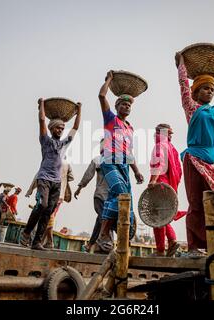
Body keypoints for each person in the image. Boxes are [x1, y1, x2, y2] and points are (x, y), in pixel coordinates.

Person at [175, 52, 214, 256]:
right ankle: (193, 246)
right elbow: (183, 84)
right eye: (205, 89)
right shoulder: (192, 108)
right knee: (196, 202)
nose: (209, 92)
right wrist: (181, 63)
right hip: (194, 158)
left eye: (212, 89)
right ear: (196, 92)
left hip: (212, 160)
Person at [19, 97, 82, 250]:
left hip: (57, 182)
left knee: (49, 211)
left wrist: (79, 111)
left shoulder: (64, 144)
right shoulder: (45, 140)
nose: (60, 130)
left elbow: (75, 128)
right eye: (57, 128)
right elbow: (41, 121)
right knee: (42, 204)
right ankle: (26, 232)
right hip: (44, 178)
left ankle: (37, 242)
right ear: (52, 128)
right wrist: (41, 105)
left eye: (62, 128)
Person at [95, 71, 144, 253]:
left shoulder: (129, 128)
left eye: (129, 104)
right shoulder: (111, 119)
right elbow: (101, 96)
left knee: (116, 199)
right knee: (121, 193)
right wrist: (108, 79)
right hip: (109, 161)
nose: (127, 106)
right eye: (123, 104)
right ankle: (105, 233)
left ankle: (107, 237)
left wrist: (137, 171)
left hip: (124, 165)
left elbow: (129, 152)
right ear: (117, 106)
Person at [148, 124, 184, 257]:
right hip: (169, 187)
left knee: (156, 217)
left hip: (160, 184)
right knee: (164, 216)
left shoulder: (160, 146)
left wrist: (153, 180)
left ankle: (160, 250)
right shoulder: (172, 148)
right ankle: (173, 240)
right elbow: (178, 172)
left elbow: (159, 164)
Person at [74, 138, 109, 253]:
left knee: (103, 219)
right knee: (103, 218)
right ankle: (100, 243)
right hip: (99, 196)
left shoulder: (116, 160)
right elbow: (88, 175)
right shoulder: (97, 160)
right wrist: (80, 188)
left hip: (111, 198)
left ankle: (93, 244)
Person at [42, 159, 73, 249]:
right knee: (48, 217)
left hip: (52, 193)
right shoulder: (67, 163)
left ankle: (50, 242)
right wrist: (64, 178)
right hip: (60, 196)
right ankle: (44, 241)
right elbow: (71, 177)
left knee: (49, 217)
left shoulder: (51, 159)